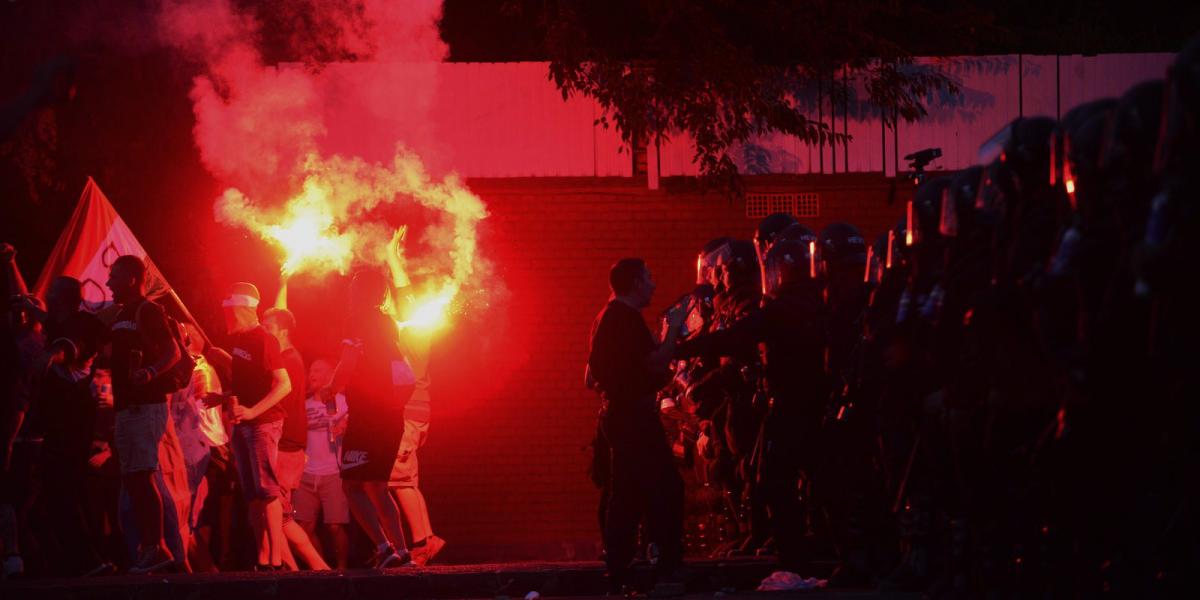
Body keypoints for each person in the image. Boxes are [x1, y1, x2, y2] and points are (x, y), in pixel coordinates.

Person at [587, 257, 686, 595]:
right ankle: (658, 564)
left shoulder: (607, 316)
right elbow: (656, 361)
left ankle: (623, 565)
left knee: (630, 491)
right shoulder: (625, 318)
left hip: (619, 414)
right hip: (633, 415)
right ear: (634, 283)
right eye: (649, 278)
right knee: (660, 489)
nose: (654, 285)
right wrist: (674, 328)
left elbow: (591, 375)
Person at [319, 269, 414, 569]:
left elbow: (349, 363)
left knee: (351, 485)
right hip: (391, 416)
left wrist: (330, 388)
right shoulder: (387, 322)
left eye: (353, 288)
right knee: (377, 486)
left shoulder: (356, 321)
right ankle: (402, 551)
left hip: (369, 417)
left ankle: (385, 548)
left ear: (362, 292)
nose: (349, 293)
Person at [105, 255, 182, 574]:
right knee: (135, 477)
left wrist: (149, 372)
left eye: (114, 276)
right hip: (128, 407)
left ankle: (156, 547)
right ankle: (152, 548)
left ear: (132, 279)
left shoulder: (147, 310)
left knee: (142, 474)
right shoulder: (121, 313)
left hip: (145, 406)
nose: (108, 283)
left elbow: (173, 351)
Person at [208, 282, 291, 571]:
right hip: (244, 424)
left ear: (243, 309)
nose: (226, 318)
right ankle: (263, 557)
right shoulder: (241, 341)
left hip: (263, 424)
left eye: (230, 312)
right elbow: (248, 384)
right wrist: (221, 397)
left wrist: (253, 410)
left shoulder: (263, 339)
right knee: (253, 495)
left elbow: (284, 384)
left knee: (267, 491)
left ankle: (276, 560)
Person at [261, 307, 328, 571]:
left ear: (283, 331)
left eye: (268, 328)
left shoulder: (288, 360)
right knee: (274, 516)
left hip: (286, 444)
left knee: (279, 516)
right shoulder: (287, 357)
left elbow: (279, 402)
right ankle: (293, 571)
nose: (263, 332)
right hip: (286, 443)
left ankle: (317, 570)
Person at [389, 328, 445, 566]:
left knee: (400, 480)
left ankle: (420, 544)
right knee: (408, 479)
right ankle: (428, 538)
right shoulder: (413, 327)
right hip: (416, 407)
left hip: (409, 408)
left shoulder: (412, 327)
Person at [294, 358, 351, 569]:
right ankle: (322, 570)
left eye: (318, 370)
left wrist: (346, 425)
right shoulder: (303, 404)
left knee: (335, 526)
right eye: (311, 370)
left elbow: (355, 424)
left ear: (330, 376)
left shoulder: (342, 401)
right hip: (306, 473)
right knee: (303, 527)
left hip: (333, 472)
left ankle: (342, 569)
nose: (312, 374)